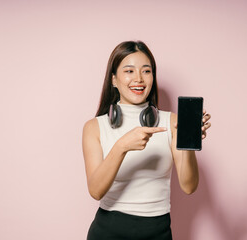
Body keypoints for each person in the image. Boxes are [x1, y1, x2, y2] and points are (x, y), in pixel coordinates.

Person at [82, 40, 211, 240]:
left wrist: (190, 143)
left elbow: (189, 186)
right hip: (107, 232)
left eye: (146, 71)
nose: (139, 79)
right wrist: (122, 146)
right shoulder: (94, 127)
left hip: (157, 232)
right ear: (114, 80)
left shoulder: (173, 122)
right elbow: (96, 191)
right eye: (129, 71)